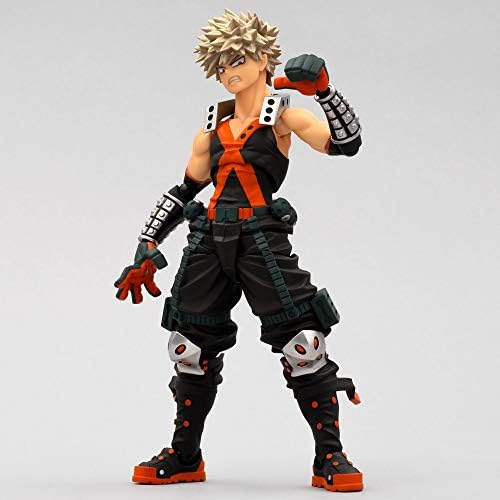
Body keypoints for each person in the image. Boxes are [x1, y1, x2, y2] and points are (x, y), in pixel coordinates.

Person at [115, 9, 364, 492]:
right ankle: (185, 456)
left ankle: (330, 456)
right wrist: (146, 243)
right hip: (208, 240)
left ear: (264, 59)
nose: (230, 71)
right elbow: (183, 191)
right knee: (188, 347)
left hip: (260, 240)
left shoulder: (284, 117)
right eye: (222, 64)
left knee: (304, 344)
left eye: (239, 59)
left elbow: (346, 144)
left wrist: (326, 93)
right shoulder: (210, 131)